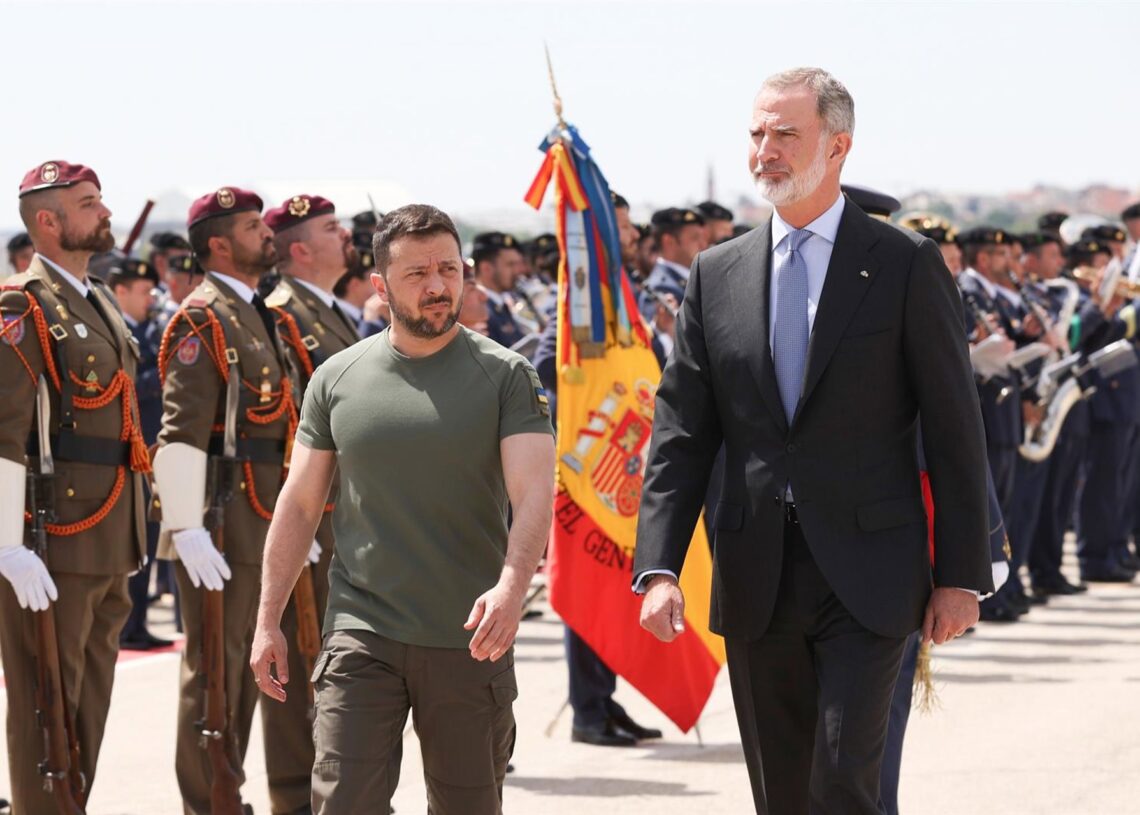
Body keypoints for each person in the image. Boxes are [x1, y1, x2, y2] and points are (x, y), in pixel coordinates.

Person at [632, 68, 993, 814]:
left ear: (838, 146)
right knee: (783, 790)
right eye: (757, 133)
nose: (765, 149)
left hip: (871, 573)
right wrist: (659, 564)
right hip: (756, 569)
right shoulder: (716, 274)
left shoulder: (903, 265)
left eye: (784, 133)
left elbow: (955, 427)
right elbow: (683, 433)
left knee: (843, 781)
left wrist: (963, 572)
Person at [250, 203, 555, 814]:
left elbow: (534, 493)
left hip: (470, 637)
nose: (439, 285)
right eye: (418, 274)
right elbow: (301, 500)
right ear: (381, 287)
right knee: (343, 804)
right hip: (362, 633)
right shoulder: (336, 379)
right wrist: (267, 619)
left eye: (449, 268)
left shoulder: (507, 376)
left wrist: (512, 586)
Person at [0, 160, 148, 812]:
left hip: (111, 534)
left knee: (86, 708)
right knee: (45, 708)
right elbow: (3, 432)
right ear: (49, 222)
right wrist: (7, 541)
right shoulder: (20, 303)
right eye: (89, 203)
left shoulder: (97, 300)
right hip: (54, 538)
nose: (105, 212)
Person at [152, 186, 295, 814]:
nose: (266, 234)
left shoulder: (258, 311)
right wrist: (186, 528)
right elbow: (180, 433)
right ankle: (209, 803)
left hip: (263, 510)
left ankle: (228, 794)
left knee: (243, 670)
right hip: (222, 516)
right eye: (250, 226)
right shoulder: (202, 316)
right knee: (216, 670)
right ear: (218, 244)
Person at [260, 193, 361, 814]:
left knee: (341, 664)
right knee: (302, 659)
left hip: (349, 514)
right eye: (330, 229)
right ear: (299, 248)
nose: (345, 234)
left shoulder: (332, 312)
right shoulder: (281, 315)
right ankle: (298, 798)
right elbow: (280, 425)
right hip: (314, 516)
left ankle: (336, 792)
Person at [108, 257, 173, 650]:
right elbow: (125, 384)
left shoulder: (149, 332)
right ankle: (126, 625)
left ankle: (137, 622)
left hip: (152, 454)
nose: (151, 297)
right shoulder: (117, 332)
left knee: (148, 541)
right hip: (128, 455)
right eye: (143, 291)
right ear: (121, 292)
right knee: (131, 543)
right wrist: (165, 377)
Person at [471, 230, 527, 348]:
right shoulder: (478, 311)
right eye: (510, 265)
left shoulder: (499, 305)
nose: (518, 271)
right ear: (486, 268)